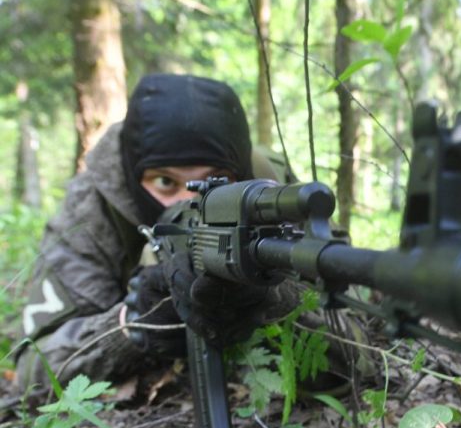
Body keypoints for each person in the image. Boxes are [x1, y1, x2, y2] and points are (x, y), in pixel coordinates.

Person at [15, 73, 299, 390]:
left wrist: (274, 299)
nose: (192, 202)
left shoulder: (273, 191)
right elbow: (32, 371)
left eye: (217, 180)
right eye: (166, 182)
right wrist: (131, 323)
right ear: (133, 178)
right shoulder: (95, 209)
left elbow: (354, 340)